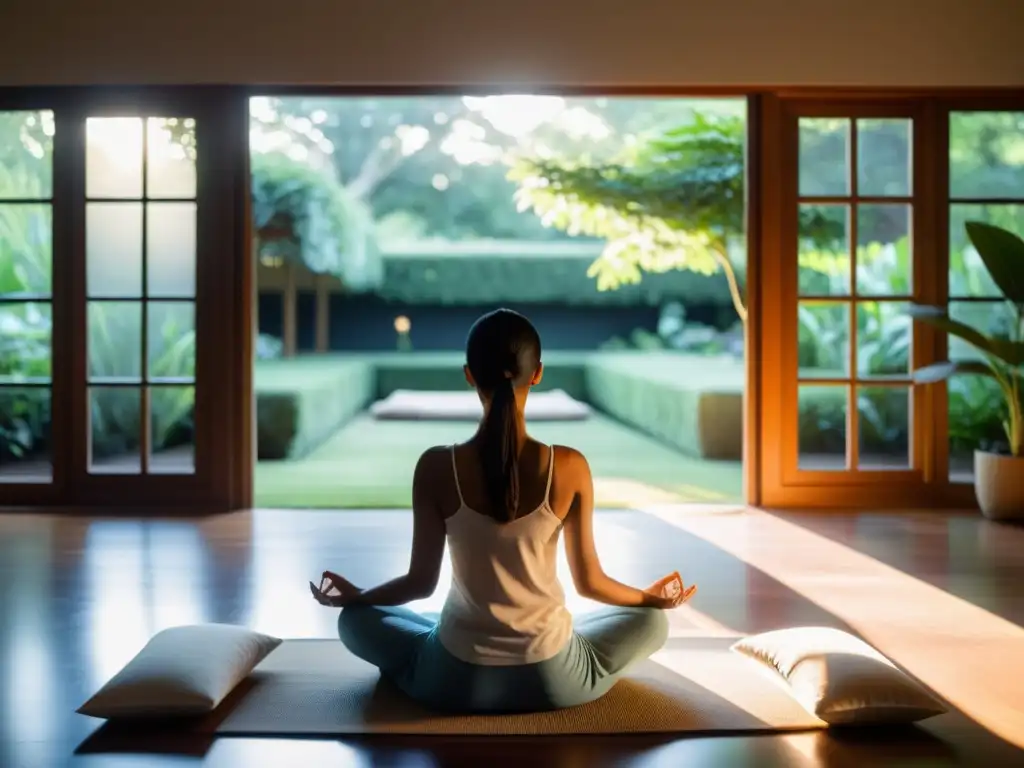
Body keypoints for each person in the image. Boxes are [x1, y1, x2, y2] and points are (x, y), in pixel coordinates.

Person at [310, 308, 696, 714]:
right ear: (538, 373)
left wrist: (359, 597)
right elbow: (590, 584)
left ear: (469, 374)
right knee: (652, 622)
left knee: (355, 620)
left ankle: (414, 670)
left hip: (455, 679)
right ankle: (578, 661)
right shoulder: (569, 466)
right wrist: (648, 598)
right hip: (553, 679)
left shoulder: (436, 466)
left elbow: (420, 583)